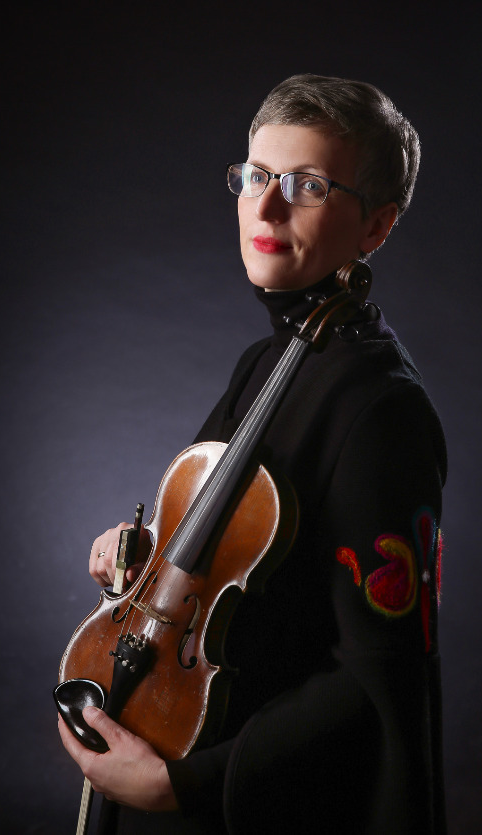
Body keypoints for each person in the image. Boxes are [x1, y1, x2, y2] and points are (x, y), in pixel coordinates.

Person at [58, 73, 447, 834]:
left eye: (308, 186)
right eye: (258, 176)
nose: (266, 207)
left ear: (376, 227)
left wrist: (184, 786)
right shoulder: (268, 360)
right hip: (182, 738)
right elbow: (230, 568)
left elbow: (373, 683)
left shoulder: (382, 410)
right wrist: (143, 552)